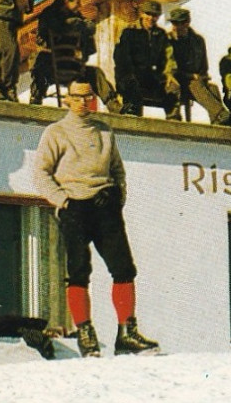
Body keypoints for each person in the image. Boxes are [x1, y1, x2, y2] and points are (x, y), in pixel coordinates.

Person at [33, 80, 160, 357]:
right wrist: (63, 202)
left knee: (124, 268)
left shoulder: (104, 131)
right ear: (67, 100)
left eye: (88, 97)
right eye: (77, 97)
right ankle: (86, 333)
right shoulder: (56, 132)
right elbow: (41, 173)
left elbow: (118, 170)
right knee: (78, 271)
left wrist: (117, 196)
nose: (83, 102)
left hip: (105, 207)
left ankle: (127, 332)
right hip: (74, 207)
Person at [28, 0, 119, 111]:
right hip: (51, 63)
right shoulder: (49, 14)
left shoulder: (76, 16)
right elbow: (47, 34)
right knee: (39, 63)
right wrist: (71, 25)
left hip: (71, 65)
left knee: (94, 72)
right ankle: (35, 100)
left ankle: (113, 104)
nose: (79, 5)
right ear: (66, 1)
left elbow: (90, 26)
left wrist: (76, 25)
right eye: (77, 2)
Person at [165, 7, 231, 125]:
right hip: (177, 79)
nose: (175, 26)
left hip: (195, 80)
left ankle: (218, 122)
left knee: (213, 89)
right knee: (195, 84)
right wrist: (191, 76)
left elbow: (203, 66)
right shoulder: (167, 39)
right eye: (173, 23)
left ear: (187, 23)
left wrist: (202, 77)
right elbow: (168, 67)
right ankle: (221, 113)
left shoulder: (198, 41)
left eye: (179, 23)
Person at [114, 0, 178, 118]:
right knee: (131, 83)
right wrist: (131, 74)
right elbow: (121, 58)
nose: (151, 18)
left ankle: (174, 119)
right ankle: (133, 116)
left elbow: (168, 57)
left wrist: (169, 74)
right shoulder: (129, 32)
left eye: (155, 15)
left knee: (173, 85)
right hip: (131, 77)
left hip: (152, 77)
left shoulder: (161, 34)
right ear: (142, 14)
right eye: (148, 14)